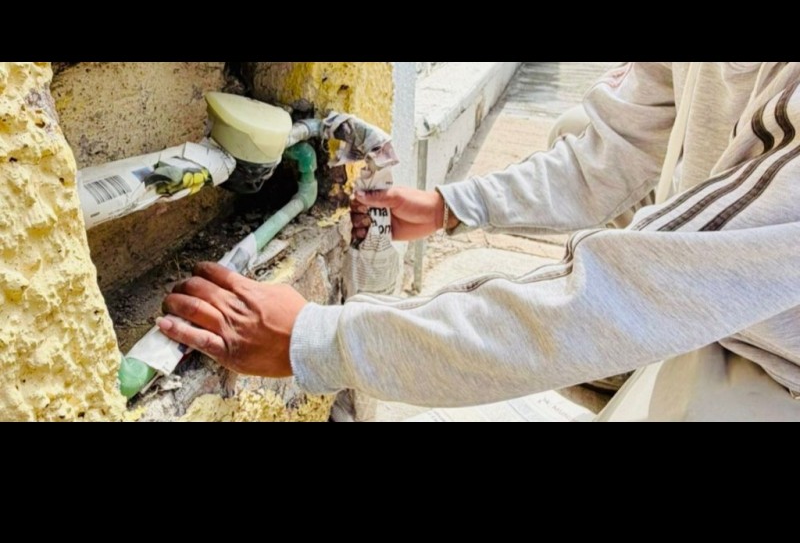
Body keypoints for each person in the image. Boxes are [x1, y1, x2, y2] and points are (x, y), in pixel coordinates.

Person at [157, 62, 800, 421]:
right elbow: (611, 152)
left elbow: (632, 290)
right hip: (701, 329)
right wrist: (451, 206)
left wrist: (319, 339)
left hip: (773, 378)